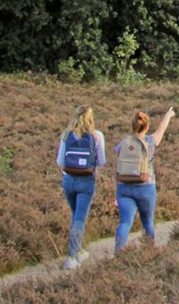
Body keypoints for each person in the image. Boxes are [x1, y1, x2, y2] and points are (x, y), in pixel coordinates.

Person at [114, 106, 176, 251]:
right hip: (146, 187)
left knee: (125, 222)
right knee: (148, 221)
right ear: (146, 126)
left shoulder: (123, 144)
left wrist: (117, 188)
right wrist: (168, 115)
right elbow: (162, 128)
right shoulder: (150, 141)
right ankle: (149, 251)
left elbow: (116, 164)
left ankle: (117, 253)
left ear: (133, 126)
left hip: (124, 188)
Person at [56, 105, 106, 270]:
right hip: (86, 181)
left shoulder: (66, 135)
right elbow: (102, 161)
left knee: (75, 216)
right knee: (79, 219)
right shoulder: (97, 135)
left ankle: (78, 250)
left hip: (68, 180)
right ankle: (71, 257)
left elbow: (60, 162)